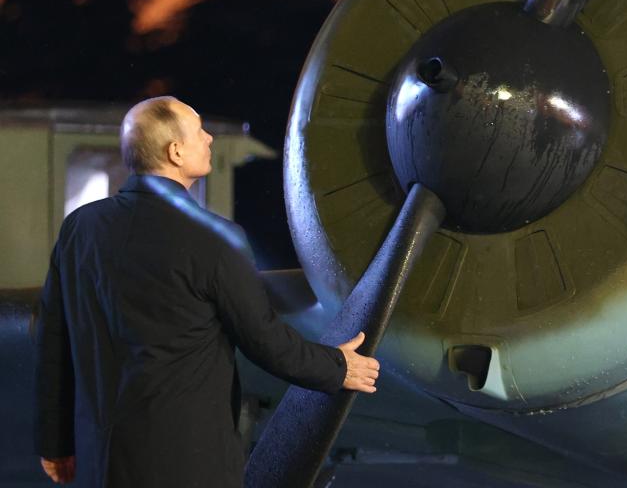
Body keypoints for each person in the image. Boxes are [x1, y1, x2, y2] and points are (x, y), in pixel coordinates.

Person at [34, 96, 380, 487]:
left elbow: (54, 344)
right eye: (199, 130)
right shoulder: (215, 238)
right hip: (188, 467)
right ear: (175, 151)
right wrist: (338, 367)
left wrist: (56, 443)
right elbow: (264, 340)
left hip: (100, 463)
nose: (209, 138)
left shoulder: (80, 229)